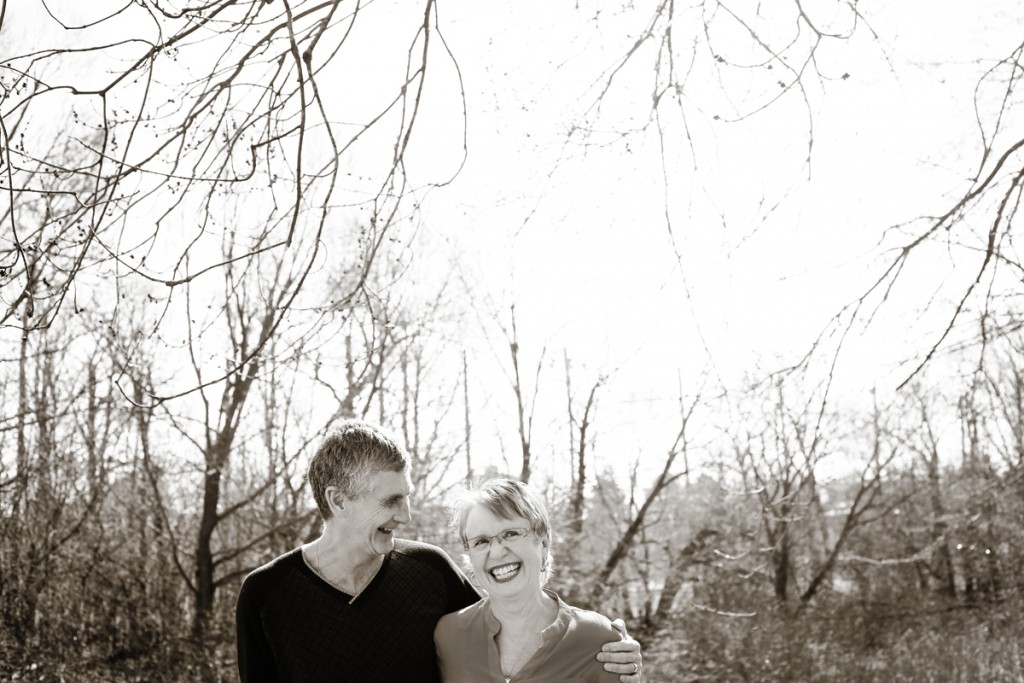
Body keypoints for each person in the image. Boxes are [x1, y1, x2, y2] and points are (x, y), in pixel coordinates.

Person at [235, 420, 642, 682]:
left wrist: (610, 647)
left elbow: (509, 616)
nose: (406, 516)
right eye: (391, 501)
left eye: (407, 496)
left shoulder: (428, 570)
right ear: (338, 500)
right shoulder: (266, 595)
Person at [434, 477, 642, 683]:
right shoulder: (449, 635)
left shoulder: (597, 638)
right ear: (470, 557)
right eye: (481, 541)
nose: (496, 552)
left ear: (543, 544)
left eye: (511, 533)